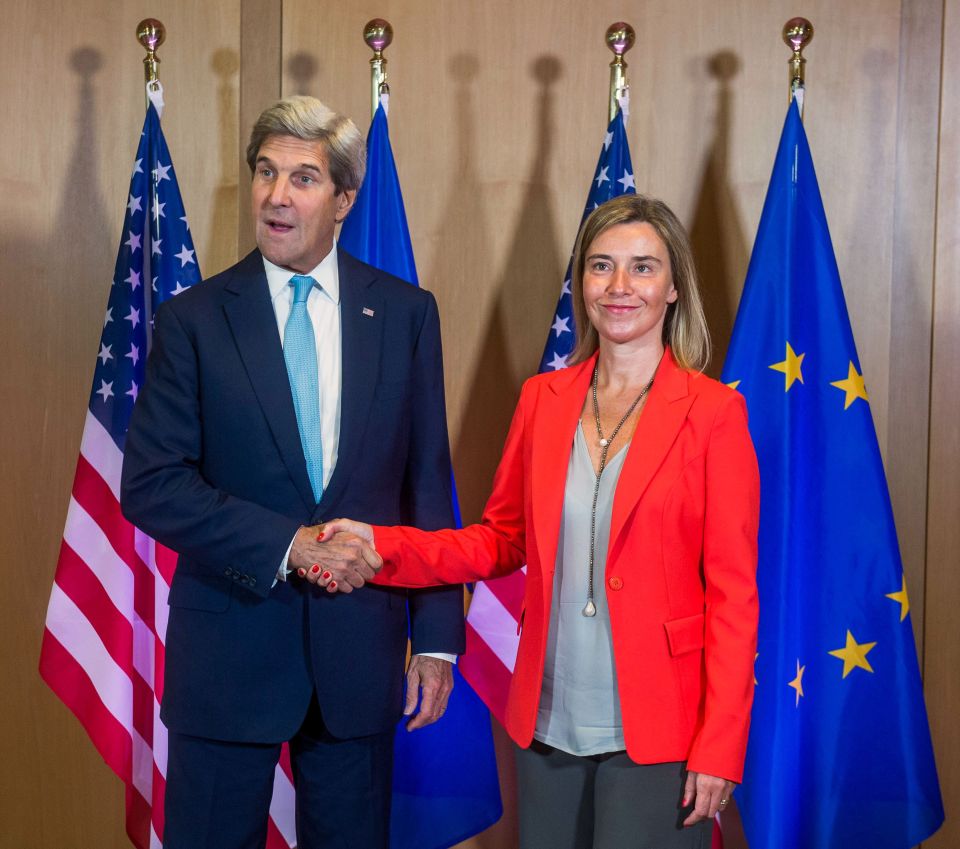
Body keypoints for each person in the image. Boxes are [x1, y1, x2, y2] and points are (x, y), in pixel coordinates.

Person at [317, 194, 760, 848]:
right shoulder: (543, 401)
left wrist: (721, 747)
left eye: (642, 268)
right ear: (581, 282)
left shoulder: (713, 413)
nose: (619, 286)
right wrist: (383, 544)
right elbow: (500, 541)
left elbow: (734, 596)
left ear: (672, 289)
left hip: (663, 728)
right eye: (601, 266)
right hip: (548, 722)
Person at [120, 95, 464, 849]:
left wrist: (437, 637)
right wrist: (290, 545)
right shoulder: (195, 320)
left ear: (343, 198)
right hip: (228, 659)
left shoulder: (406, 314)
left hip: (359, 660)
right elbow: (151, 482)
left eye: (304, 177)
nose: (278, 195)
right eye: (267, 173)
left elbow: (427, 483)